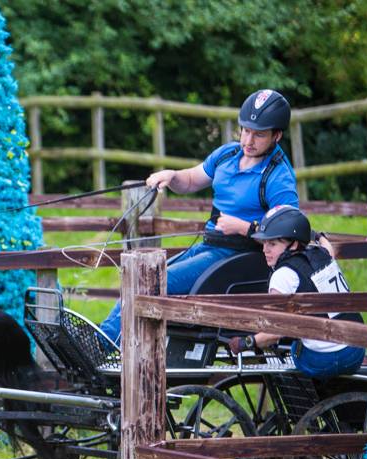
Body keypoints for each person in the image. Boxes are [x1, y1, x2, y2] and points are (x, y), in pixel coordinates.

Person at [100, 89, 298, 343]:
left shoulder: (279, 178)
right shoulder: (227, 154)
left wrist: (243, 227)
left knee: (153, 282)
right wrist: (172, 176)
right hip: (209, 247)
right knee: (141, 276)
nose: (248, 140)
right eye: (245, 131)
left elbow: (288, 233)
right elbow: (192, 180)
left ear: (276, 135)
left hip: (239, 256)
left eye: (258, 135)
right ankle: (106, 340)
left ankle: (104, 343)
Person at [228, 205, 365, 379]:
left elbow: (275, 332)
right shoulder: (322, 254)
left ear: (293, 244)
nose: (265, 249)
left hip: (325, 360)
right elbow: (328, 246)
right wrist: (317, 236)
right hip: (356, 350)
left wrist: (246, 342)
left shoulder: (283, 276)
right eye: (264, 243)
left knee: (294, 347)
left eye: (272, 244)